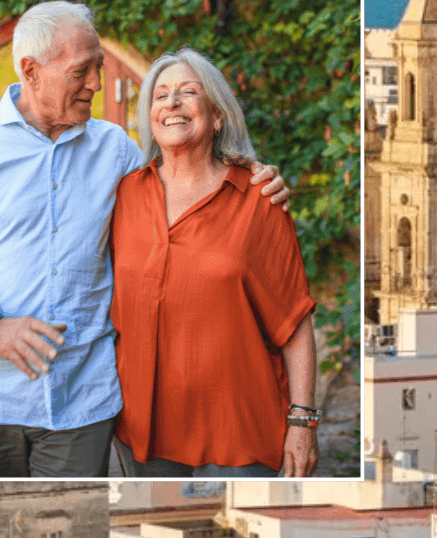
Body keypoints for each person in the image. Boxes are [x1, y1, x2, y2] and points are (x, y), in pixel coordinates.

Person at [0, 2, 288, 477]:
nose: (96, 85)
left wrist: (255, 177)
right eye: (80, 71)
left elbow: (188, 184)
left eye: (100, 69)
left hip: (81, 398)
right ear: (31, 70)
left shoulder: (118, 152)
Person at [110, 48, 319, 477]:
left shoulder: (259, 199)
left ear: (218, 116)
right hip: (143, 429)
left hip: (238, 430)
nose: (171, 103)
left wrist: (302, 421)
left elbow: (294, 322)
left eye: (188, 93)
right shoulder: (125, 194)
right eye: (160, 95)